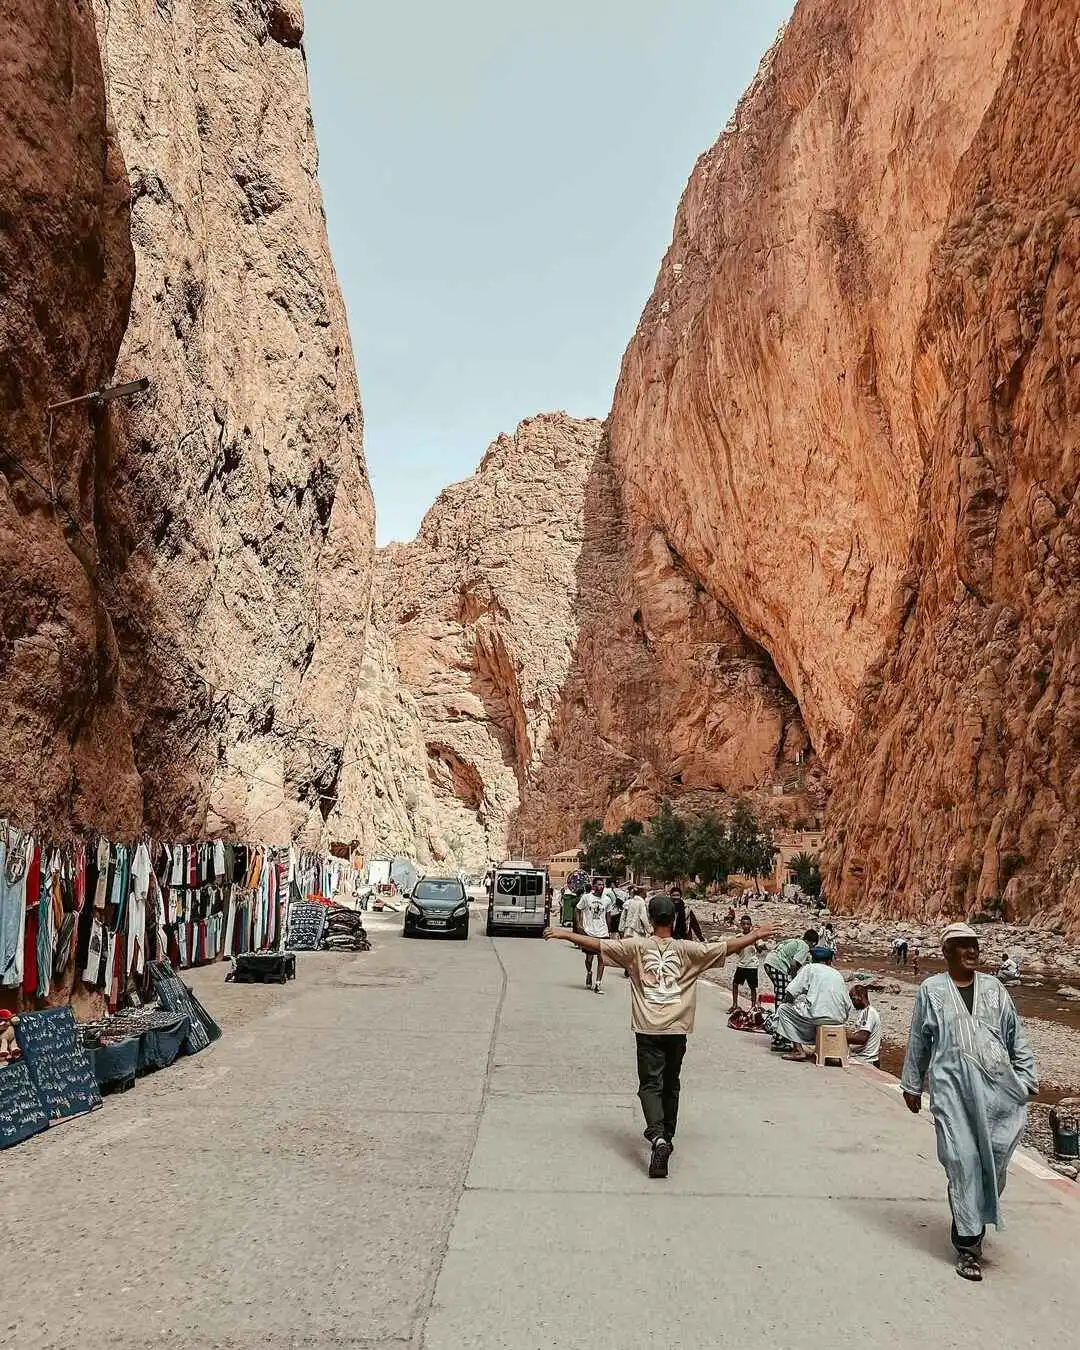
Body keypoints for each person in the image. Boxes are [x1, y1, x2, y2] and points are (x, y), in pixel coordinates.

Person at [544, 896, 777, 1177]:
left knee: (649, 1085)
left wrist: (564, 933)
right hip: (677, 1030)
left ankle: (658, 1138)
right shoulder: (690, 950)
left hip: (647, 1028)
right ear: (675, 920)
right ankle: (668, 1134)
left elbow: (599, 944)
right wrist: (755, 935)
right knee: (671, 1083)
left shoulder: (636, 948)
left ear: (649, 921)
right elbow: (726, 948)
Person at [900, 922, 1038, 1283]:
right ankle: (967, 1245)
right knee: (962, 1159)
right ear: (947, 952)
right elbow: (918, 1039)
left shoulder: (995, 990)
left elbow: (1015, 1036)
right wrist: (912, 1085)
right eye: (963, 946)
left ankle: (974, 1220)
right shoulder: (931, 990)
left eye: (975, 944)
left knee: (993, 1160)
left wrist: (1025, 1077)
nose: (972, 951)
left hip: (996, 1092)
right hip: (951, 1091)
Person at [774, 947, 854, 1060]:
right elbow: (847, 1002)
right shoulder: (837, 974)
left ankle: (798, 1050)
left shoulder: (809, 968)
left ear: (812, 959)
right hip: (838, 1019)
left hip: (817, 1018)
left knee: (783, 1009)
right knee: (811, 1009)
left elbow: (791, 992)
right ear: (829, 961)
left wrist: (789, 1003)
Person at [576, 878, 617, 993]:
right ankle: (589, 973)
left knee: (602, 959)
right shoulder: (586, 898)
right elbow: (578, 909)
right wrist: (579, 925)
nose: (601, 886)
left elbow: (608, 915)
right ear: (593, 886)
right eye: (599, 884)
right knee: (589, 958)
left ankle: (598, 983)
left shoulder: (607, 900)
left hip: (602, 933)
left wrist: (609, 930)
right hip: (590, 932)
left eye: (602, 885)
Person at [763, 928, 818, 1012]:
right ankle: (779, 1014)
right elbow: (793, 964)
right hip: (777, 965)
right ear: (813, 943)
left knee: (780, 988)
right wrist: (794, 979)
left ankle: (779, 1011)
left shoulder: (795, 941)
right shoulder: (805, 946)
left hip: (769, 961)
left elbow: (777, 947)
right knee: (783, 991)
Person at [728, 914, 761, 1014]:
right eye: (744, 924)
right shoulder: (739, 937)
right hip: (741, 964)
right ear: (741, 925)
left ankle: (753, 1006)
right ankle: (734, 1005)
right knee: (735, 984)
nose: (746, 926)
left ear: (751, 925)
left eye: (748, 924)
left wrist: (757, 944)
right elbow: (736, 950)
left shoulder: (755, 936)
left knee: (753, 987)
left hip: (752, 965)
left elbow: (760, 950)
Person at [848, 981, 882, 1068]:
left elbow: (861, 1038)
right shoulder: (865, 1012)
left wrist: (842, 1036)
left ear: (861, 996)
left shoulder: (869, 1013)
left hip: (866, 1059)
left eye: (853, 999)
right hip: (863, 1057)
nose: (853, 1003)